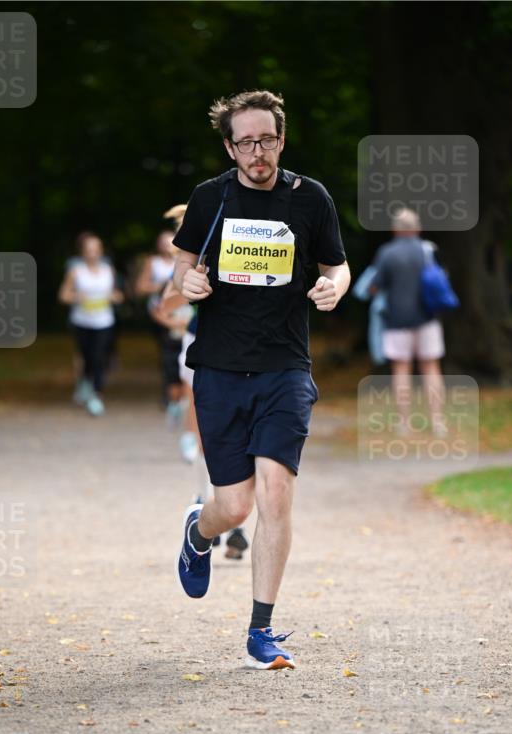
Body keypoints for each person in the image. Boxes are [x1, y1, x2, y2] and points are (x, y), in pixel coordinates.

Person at [173, 90, 350, 669]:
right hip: (221, 370)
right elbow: (183, 264)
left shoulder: (311, 199)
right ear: (230, 146)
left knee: (276, 494)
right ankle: (200, 533)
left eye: (267, 139)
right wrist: (189, 284)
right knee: (235, 507)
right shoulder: (211, 198)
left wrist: (335, 287)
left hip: (285, 369)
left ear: (281, 138)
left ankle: (261, 631)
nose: (258, 152)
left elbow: (337, 265)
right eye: (246, 142)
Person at [155, 204, 249, 561]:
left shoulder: (244, 250)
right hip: (199, 349)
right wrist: (196, 282)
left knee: (242, 434)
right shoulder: (191, 259)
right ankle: (202, 498)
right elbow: (166, 304)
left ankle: (234, 520)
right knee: (206, 433)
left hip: (243, 351)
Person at [369, 208, 447, 435]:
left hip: (396, 321)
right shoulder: (428, 250)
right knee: (432, 369)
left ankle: (404, 423)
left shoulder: (387, 253)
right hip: (427, 318)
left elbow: (374, 286)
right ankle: (437, 422)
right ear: (418, 228)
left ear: (395, 229)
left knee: (401, 370)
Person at [58, 232, 123, 417]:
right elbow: (63, 295)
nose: (92, 253)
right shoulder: (76, 271)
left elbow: (118, 294)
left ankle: (96, 395)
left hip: (104, 321)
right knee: (86, 358)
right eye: (89, 250)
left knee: (99, 358)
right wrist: (77, 296)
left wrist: (114, 297)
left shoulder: (108, 270)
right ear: (83, 252)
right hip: (82, 322)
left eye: (96, 250)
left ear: (101, 251)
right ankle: (84, 384)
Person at [135, 228, 186, 425]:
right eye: (163, 242)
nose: (167, 246)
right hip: (162, 313)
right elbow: (140, 286)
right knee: (168, 354)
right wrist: (162, 286)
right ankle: (170, 395)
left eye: (170, 241)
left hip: (183, 314)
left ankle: (182, 396)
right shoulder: (153, 262)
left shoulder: (187, 261)